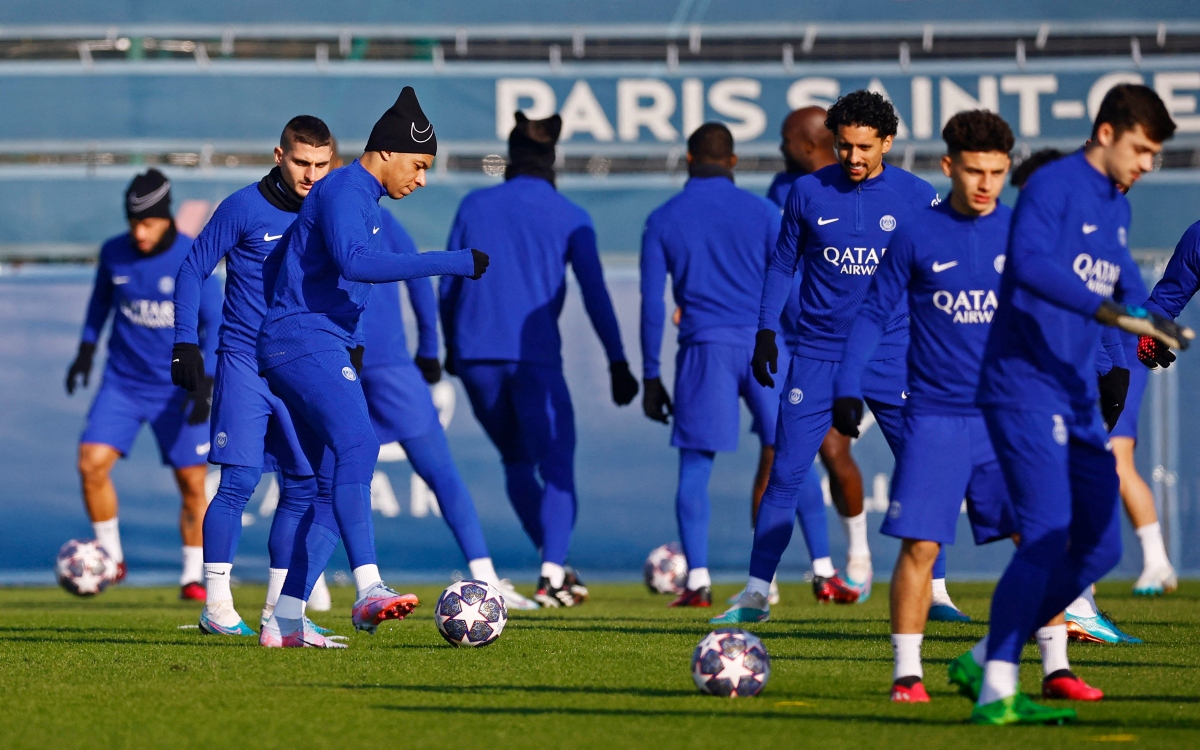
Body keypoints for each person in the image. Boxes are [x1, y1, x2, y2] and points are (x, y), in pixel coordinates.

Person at [836, 110, 1103, 704]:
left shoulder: (1026, 233)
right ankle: (908, 675)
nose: (986, 184)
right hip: (936, 416)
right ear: (948, 165)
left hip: (1013, 415)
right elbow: (874, 314)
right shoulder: (915, 234)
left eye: (998, 172)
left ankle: (1055, 668)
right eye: (975, 171)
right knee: (921, 545)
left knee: (1042, 539)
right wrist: (847, 385)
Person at [950, 84, 1186, 725]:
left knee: (1100, 549)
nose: (1145, 163)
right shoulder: (1053, 185)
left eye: (1154, 155)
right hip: (1023, 385)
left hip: (1076, 388)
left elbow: (1121, 273)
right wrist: (1107, 310)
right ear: (1106, 133)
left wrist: (1148, 321)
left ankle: (982, 656)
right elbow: (1028, 267)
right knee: (1049, 533)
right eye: (1140, 148)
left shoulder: (1115, 204)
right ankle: (998, 687)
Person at [256, 86, 488, 648]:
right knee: (359, 443)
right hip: (302, 343)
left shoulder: (364, 202)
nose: (423, 178)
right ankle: (367, 589)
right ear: (387, 152)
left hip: (316, 342)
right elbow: (356, 265)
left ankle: (284, 620)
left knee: (332, 485)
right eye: (420, 164)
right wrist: (451, 262)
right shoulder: (344, 192)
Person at [711, 90, 939, 625]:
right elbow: (781, 265)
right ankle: (755, 594)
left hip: (894, 352)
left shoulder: (917, 195)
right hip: (816, 354)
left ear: (887, 142)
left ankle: (941, 593)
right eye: (844, 147)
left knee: (924, 470)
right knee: (786, 471)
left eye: (864, 147)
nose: (853, 158)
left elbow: (938, 273)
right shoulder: (806, 191)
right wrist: (767, 333)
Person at [440, 112, 638, 608]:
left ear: (509, 155)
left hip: (474, 355)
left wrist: (448, 348)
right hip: (534, 361)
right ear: (553, 159)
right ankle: (550, 574)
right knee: (558, 466)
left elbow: (447, 285)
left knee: (515, 460)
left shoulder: (474, 204)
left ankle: (556, 569)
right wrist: (618, 362)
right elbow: (596, 295)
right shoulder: (570, 215)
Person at [172, 116, 334, 636]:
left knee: (303, 486)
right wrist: (184, 341)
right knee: (238, 481)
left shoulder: (333, 210)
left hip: (302, 365)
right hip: (244, 360)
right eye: (302, 162)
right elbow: (193, 268)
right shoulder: (243, 206)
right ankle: (216, 606)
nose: (312, 174)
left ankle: (278, 613)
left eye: (322, 164)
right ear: (279, 155)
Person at [639, 122, 789, 608]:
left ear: (687, 158)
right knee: (790, 454)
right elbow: (791, 285)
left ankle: (698, 581)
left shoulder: (663, 218)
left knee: (695, 467)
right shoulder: (766, 212)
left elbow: (651, 304)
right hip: (765, 345)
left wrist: (649, 375)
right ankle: (816, 572)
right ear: (733, 161)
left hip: (704, 347)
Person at [358, 208, 538, 610]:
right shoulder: (318, 215)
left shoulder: (376, 215)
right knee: (324, 478)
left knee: (437, 472)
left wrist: (427, 346)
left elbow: (416, 276)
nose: (315, 175)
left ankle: (485, 577)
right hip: (344, 360)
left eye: (323, 165)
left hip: (380, 364)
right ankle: (302, 590)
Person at [1011, 149, 1147, 645]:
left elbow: (1117, 304)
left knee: (1076, 520)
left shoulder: (1099, 234)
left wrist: (1136, 343)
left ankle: (1065, 613)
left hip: (1083, 390)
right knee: (1048, 515)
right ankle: (1067, 614)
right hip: (1029, 393)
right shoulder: (1030, 247)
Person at [66, 168, 222, 600]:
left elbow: (218, 323)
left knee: (193, 484)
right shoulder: (114, 253)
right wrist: (85, 350)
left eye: (148, 223)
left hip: (178, 387)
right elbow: (101, 303)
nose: (139, 232)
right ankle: (112, 560)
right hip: (123, 382)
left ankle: (193, 575)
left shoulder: (194, 256)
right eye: (134, 222)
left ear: (167, 218)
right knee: (90, 464)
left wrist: (204, 382)